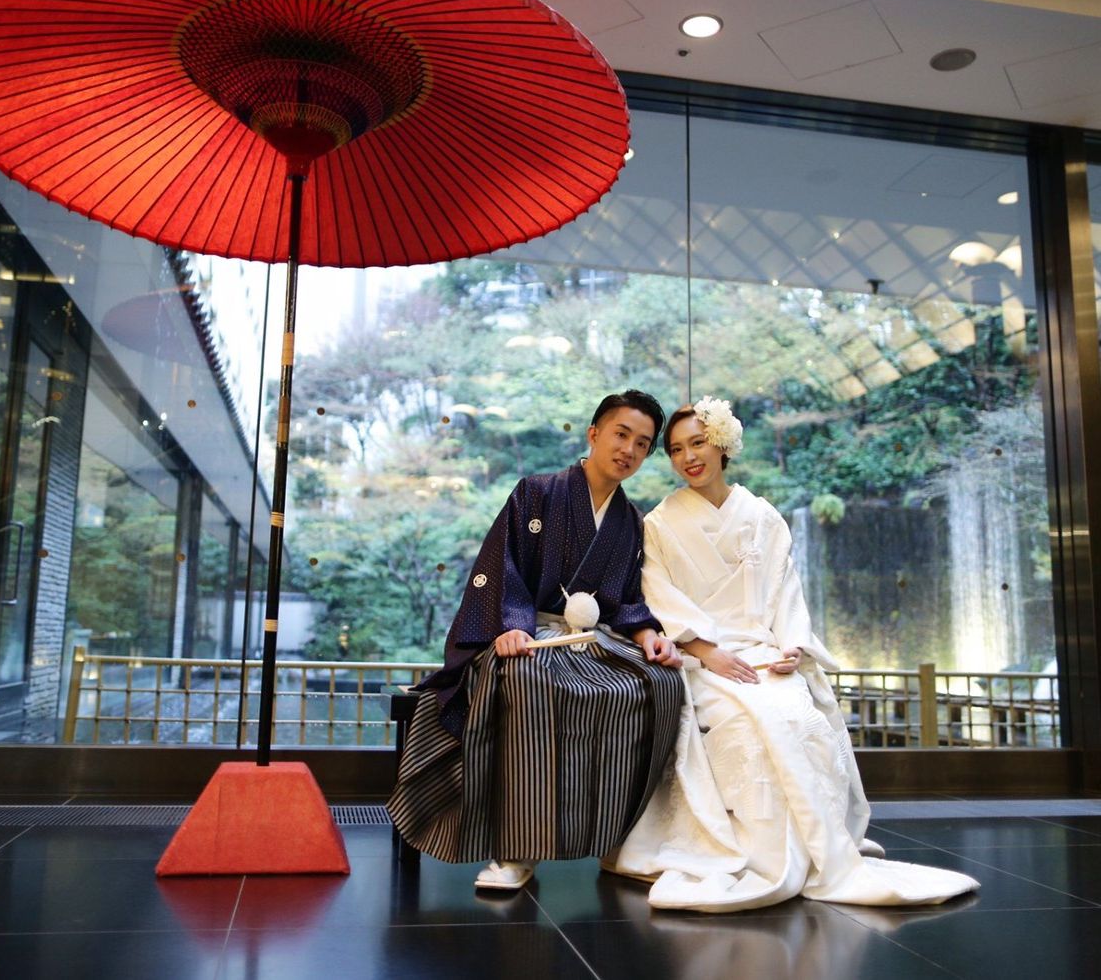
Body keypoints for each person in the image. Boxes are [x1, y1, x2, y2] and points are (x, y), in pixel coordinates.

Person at [609, 398, 979, 911]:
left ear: (722, 445)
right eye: (675, 449)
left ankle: (813, 849)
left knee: (802, 718)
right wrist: (706, 652)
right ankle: (761, 851)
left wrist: (791, 646)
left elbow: (786, 591)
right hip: (701, 660)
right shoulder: (660, 523)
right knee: (749, 723)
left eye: (697, 443)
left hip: (764, 653)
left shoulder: (763, 516)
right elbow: (659, 595)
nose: (688, 457)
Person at [387, 389, 685, 892]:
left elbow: (627, 599)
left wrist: (649, 633)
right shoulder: (536, 493)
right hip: (525, 634)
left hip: (590, 639)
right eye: (621, 434)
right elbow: (500, 567)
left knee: (659, 684)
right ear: (594, 434)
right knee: (527, 681)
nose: (629, 450)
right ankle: (517, 849)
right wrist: (511, 625)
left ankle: (620, 839)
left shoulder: (630, 522)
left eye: (642, 444)